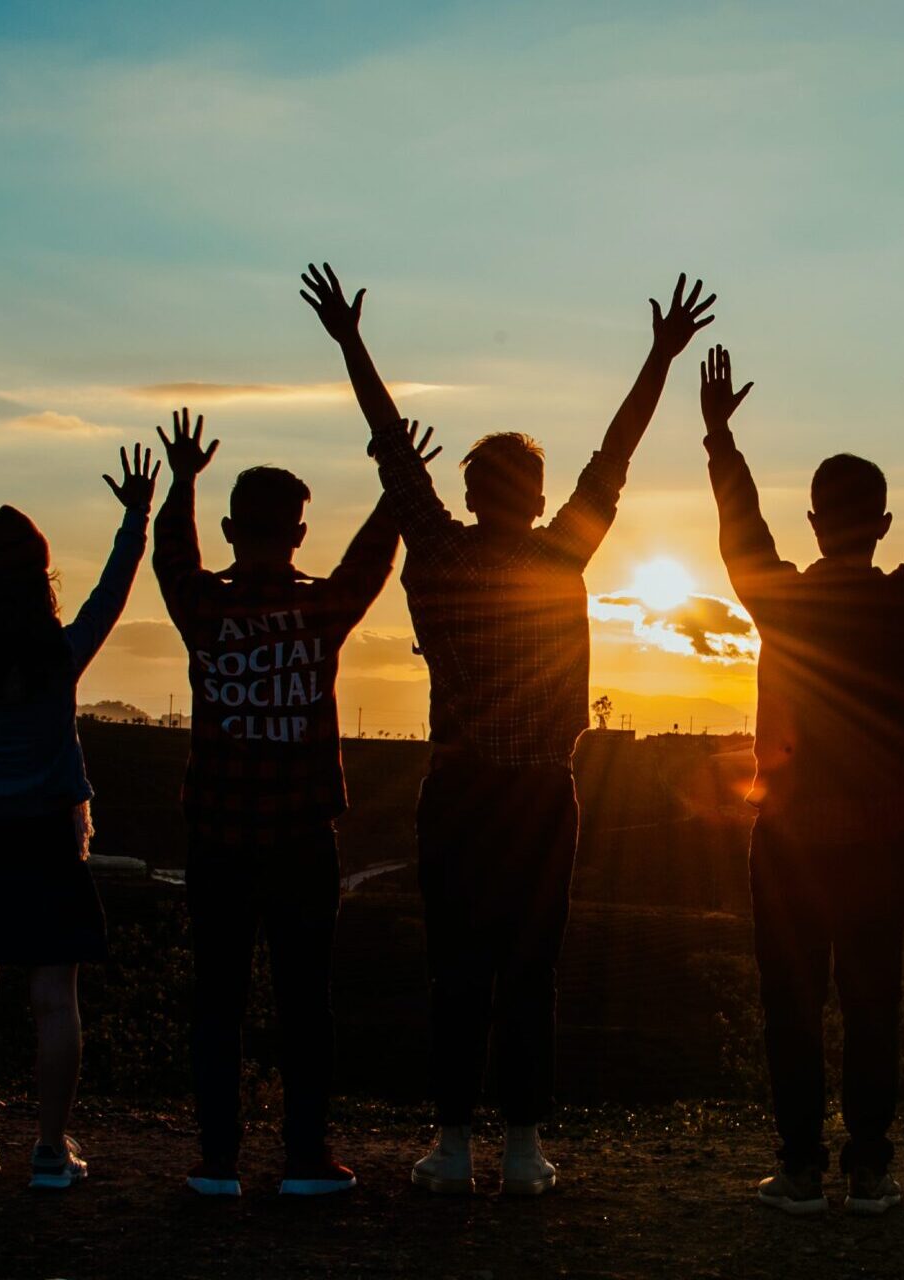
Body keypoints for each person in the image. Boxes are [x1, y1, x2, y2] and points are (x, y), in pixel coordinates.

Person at [300, 261, 715, 1196]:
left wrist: (351, 343)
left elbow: (391, 449)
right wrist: (658, 355)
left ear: (473, 489)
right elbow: (616, 453)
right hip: (536, 796)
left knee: (456, 968)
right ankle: (522, 1147)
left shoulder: (439, 550)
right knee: (530, 969)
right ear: (531, 495)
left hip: (459, 791)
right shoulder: (561, 551)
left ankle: (451, 1144)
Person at [698, 343, 904, 1216]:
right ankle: (872, 1168)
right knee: (873, 1002)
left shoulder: (781, 599)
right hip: (882, 837)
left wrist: (720, 442)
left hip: (788, 838)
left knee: (793, 1007)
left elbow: (743, 534)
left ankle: (803, 1167)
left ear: (813, 522)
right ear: (880, 523)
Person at [149, 409, 438, 1198]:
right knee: (307, 1002)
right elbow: (372, 562)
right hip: (304, 840)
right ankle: (306, 1158)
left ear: (232, 528)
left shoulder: (203, 610)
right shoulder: (319, 611)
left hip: (216, 837)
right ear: (300, 532)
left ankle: (216, 1160)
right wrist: (395, 486)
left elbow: (170, 557)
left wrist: (179, 480)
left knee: (218, 1000)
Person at [0, 443, 159, 1191]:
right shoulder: (60, 653)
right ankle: (51, 1150)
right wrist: (135, 519)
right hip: (51, 840)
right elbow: (112, 593)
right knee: (55, 1001)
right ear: (40, 576)